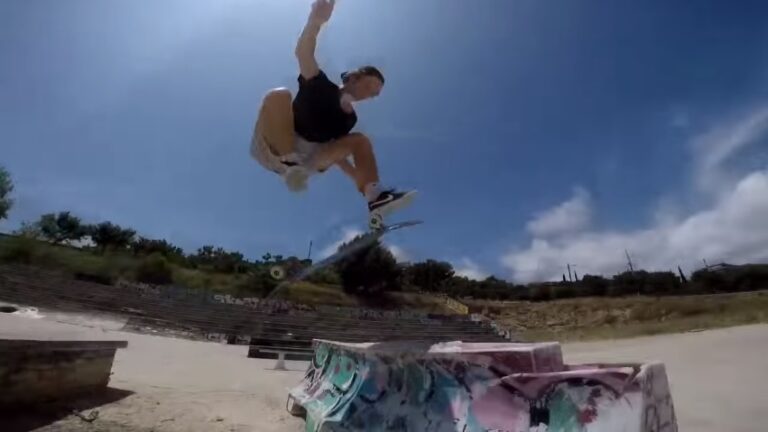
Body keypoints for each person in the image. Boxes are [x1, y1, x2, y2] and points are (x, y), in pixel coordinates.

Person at [250, 0, 414, 218]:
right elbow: (303, 53)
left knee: (360, 140)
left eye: (373, 94)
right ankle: (290, 163)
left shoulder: (350, 119)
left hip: (308, 160)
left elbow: (338, 155)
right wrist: (315, 22)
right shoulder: (320, 84)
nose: (368, 95)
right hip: (274, 146)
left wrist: (361, 182)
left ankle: (376, 199)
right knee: (279, 95)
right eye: (368, 86)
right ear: (353, 78)